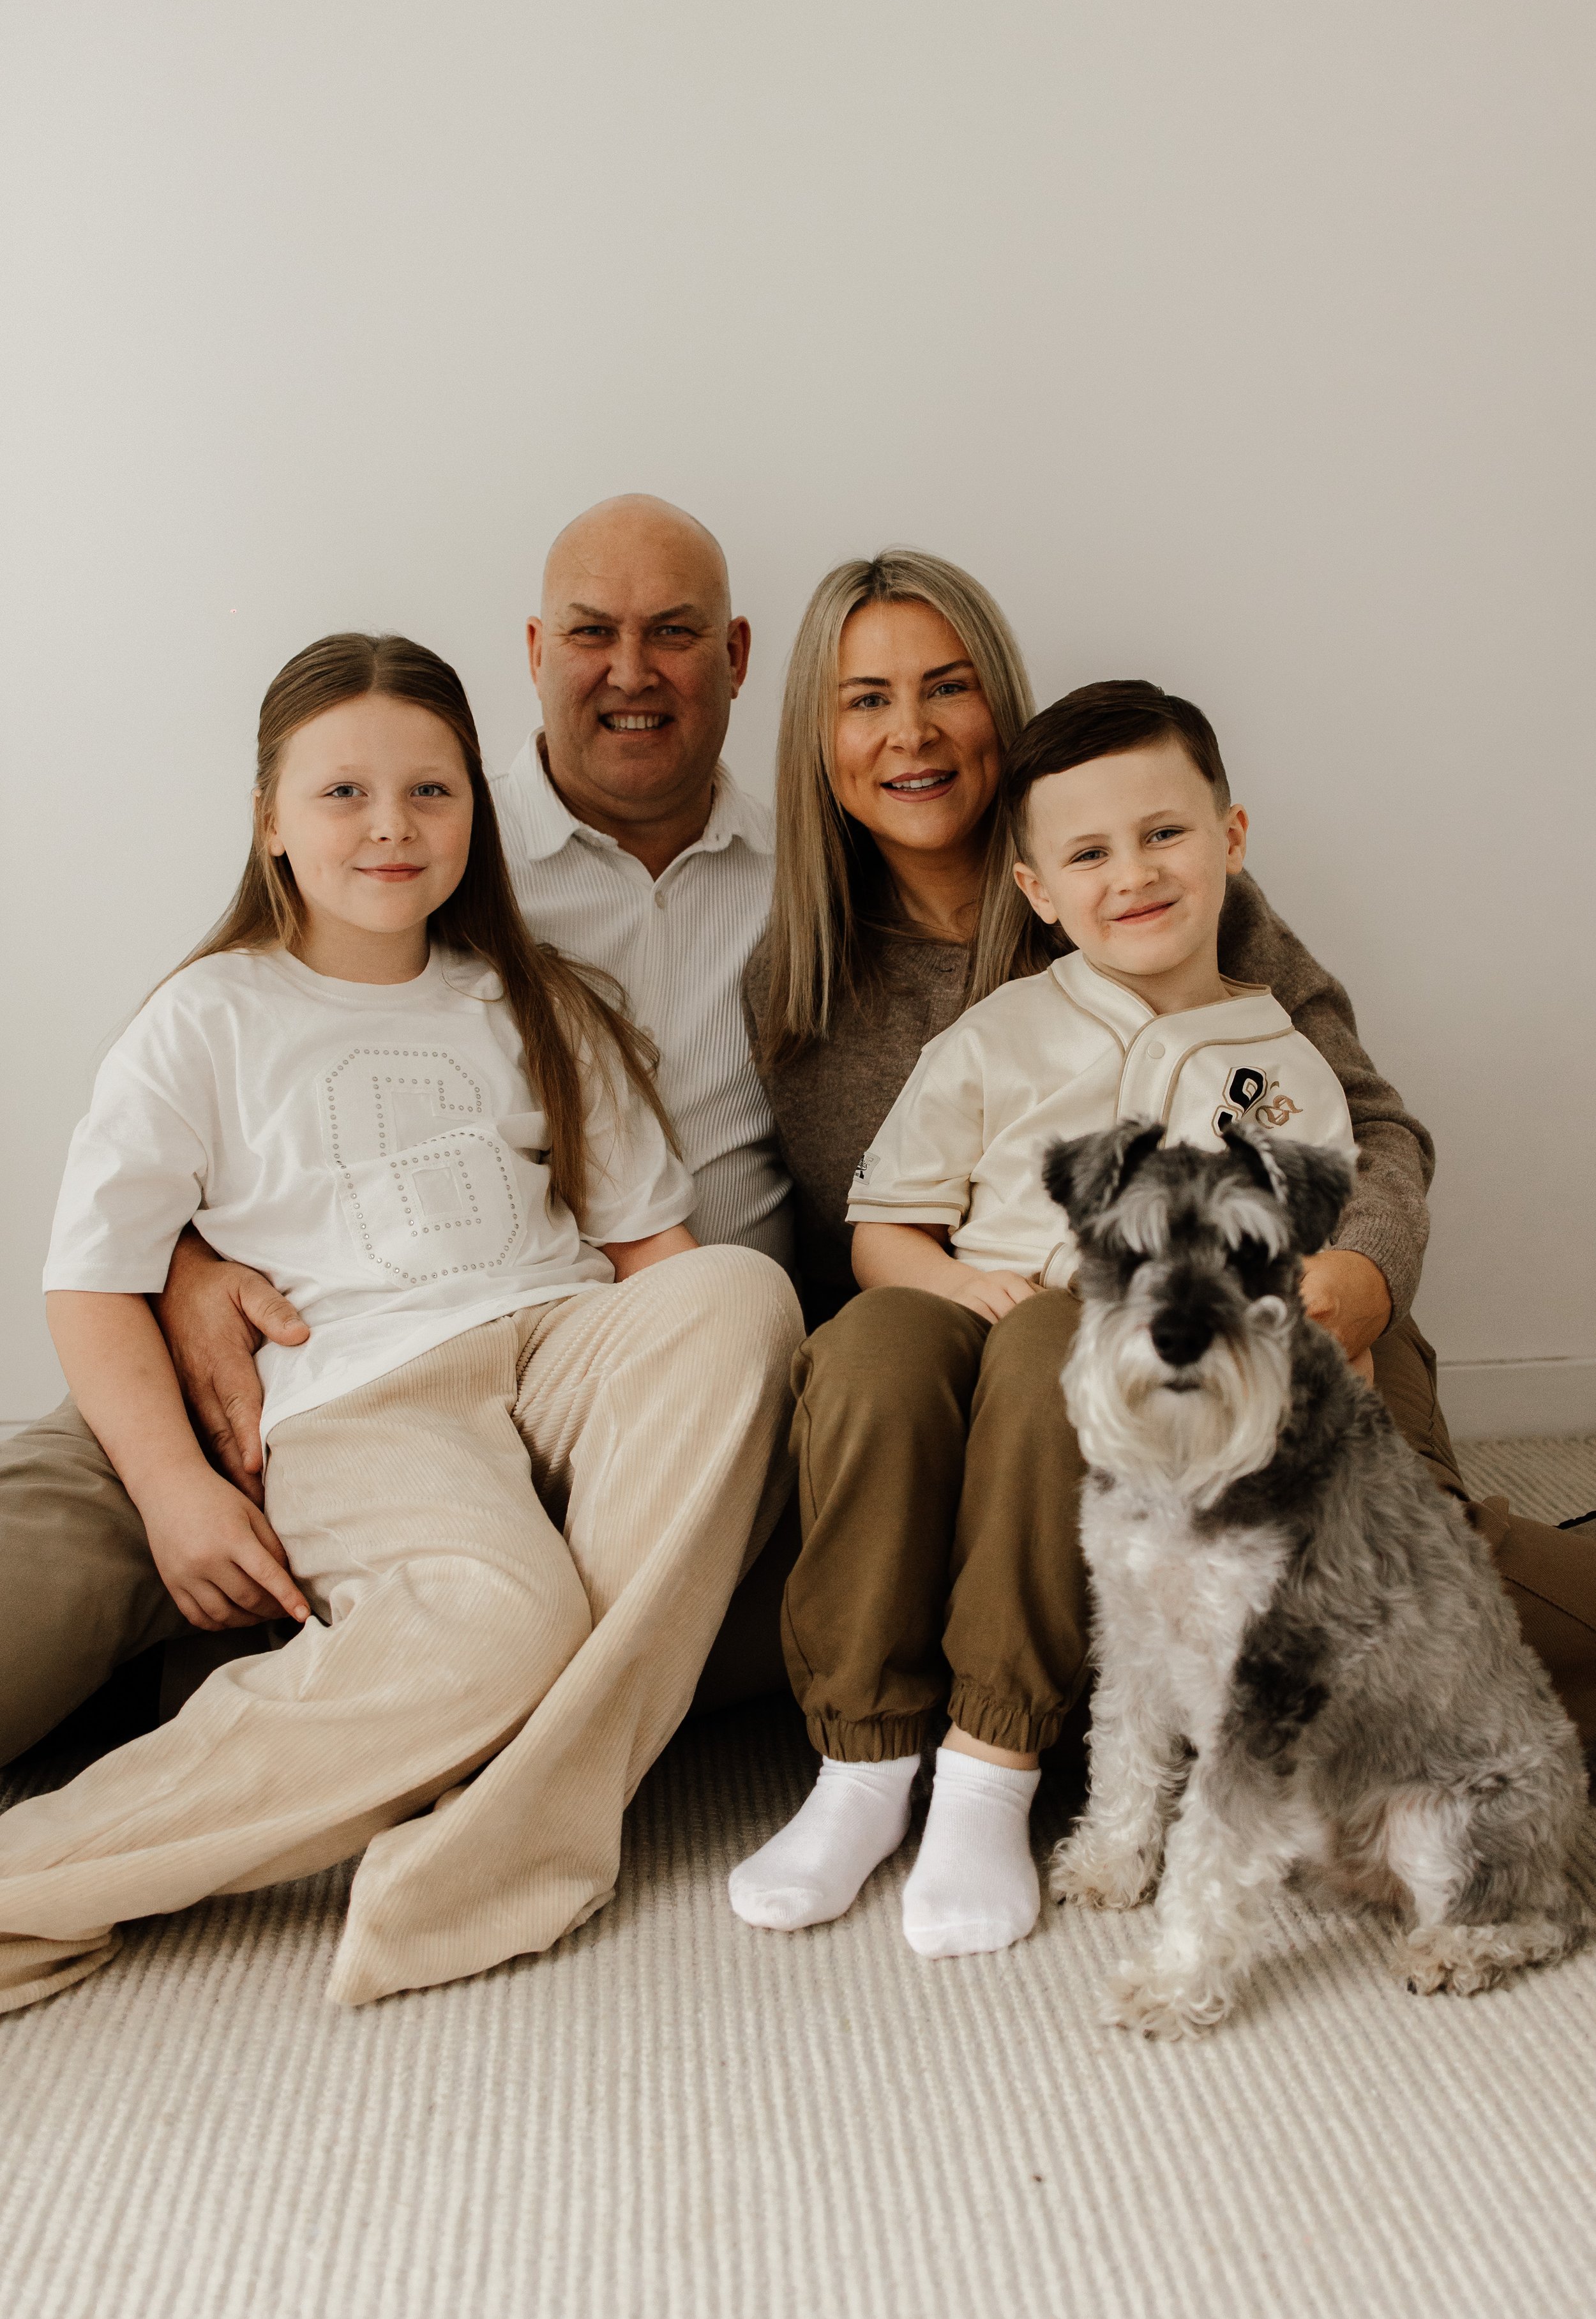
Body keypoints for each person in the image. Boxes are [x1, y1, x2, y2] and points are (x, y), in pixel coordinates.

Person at [737, 549, 1596, 1930]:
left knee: (1437, 1641)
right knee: (919, 1351)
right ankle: (891, 1768)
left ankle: (1011, 1767)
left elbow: (1366, 1138)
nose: (908, 731)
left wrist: (1353, 1292)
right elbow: (880, 1233)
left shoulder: (1197, 906)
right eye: (864, 700)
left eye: (946, 687)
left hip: (1274, 1375)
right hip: (1025, 1419)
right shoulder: (819, 982)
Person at [0, 631, 800, 2013]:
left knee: (737, 1290)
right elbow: (93, 1280)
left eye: (431, 792)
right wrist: (179, 1493)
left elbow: (654, 1258)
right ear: (269, 820)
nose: (390, 827)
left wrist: (711, 1417)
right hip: (360, 1392)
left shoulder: (538, 1003)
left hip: (557, 1347)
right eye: (342, 794)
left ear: (475, 815)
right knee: (492, 1626)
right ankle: (38, 1881)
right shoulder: (208, 1020)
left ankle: (516, 1826)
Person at [730, 679, 1360, 1956]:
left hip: (1116, 1354)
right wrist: (949, 1281)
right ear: (1035, 891)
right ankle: (857, 1761)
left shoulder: (1281, 1068)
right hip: (959, 1291)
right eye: (1087, 853)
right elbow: (881, 1230)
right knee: (862, 1358)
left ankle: (987, 1766)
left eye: (1162, 835)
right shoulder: (995, 1034)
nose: (1130, 874)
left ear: (1228, 841)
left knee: (1047, 1348)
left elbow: (1284, 1272)